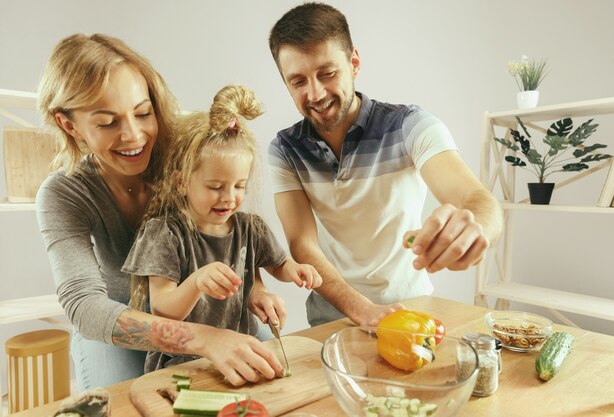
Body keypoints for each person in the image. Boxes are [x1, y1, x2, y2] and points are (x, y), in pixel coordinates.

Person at [36, 33, 286, 390]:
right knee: (120, 403)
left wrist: (254, 289)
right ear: (69, 125)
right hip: (118, 315)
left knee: (272, 374)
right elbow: (86, 308)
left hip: (203, 307)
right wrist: (202, 339)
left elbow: (237, 233)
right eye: (108, 122)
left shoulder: (186, 153)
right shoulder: (63, 193)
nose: (134, 136)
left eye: (143, 113)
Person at [267, 3, 503, 327]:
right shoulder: (284, 149)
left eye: (327, 73)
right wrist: (361, 309)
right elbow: (302, 245)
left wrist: (477, 230)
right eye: (298, 82)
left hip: (410, 313)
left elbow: (478, 200)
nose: (316, 93)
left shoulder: (410, 125)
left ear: (354, 63)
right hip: (330, 320)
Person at [122, 85, 322, 372]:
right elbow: (162, 309)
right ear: (181, 182)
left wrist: (294, 271)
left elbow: (277, 264)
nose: (229, 197)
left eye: (239, 186)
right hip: (181, 362)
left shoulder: (249, 228)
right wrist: (197, 281)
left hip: (236, 349)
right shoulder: (163, 234)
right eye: (215, 187)